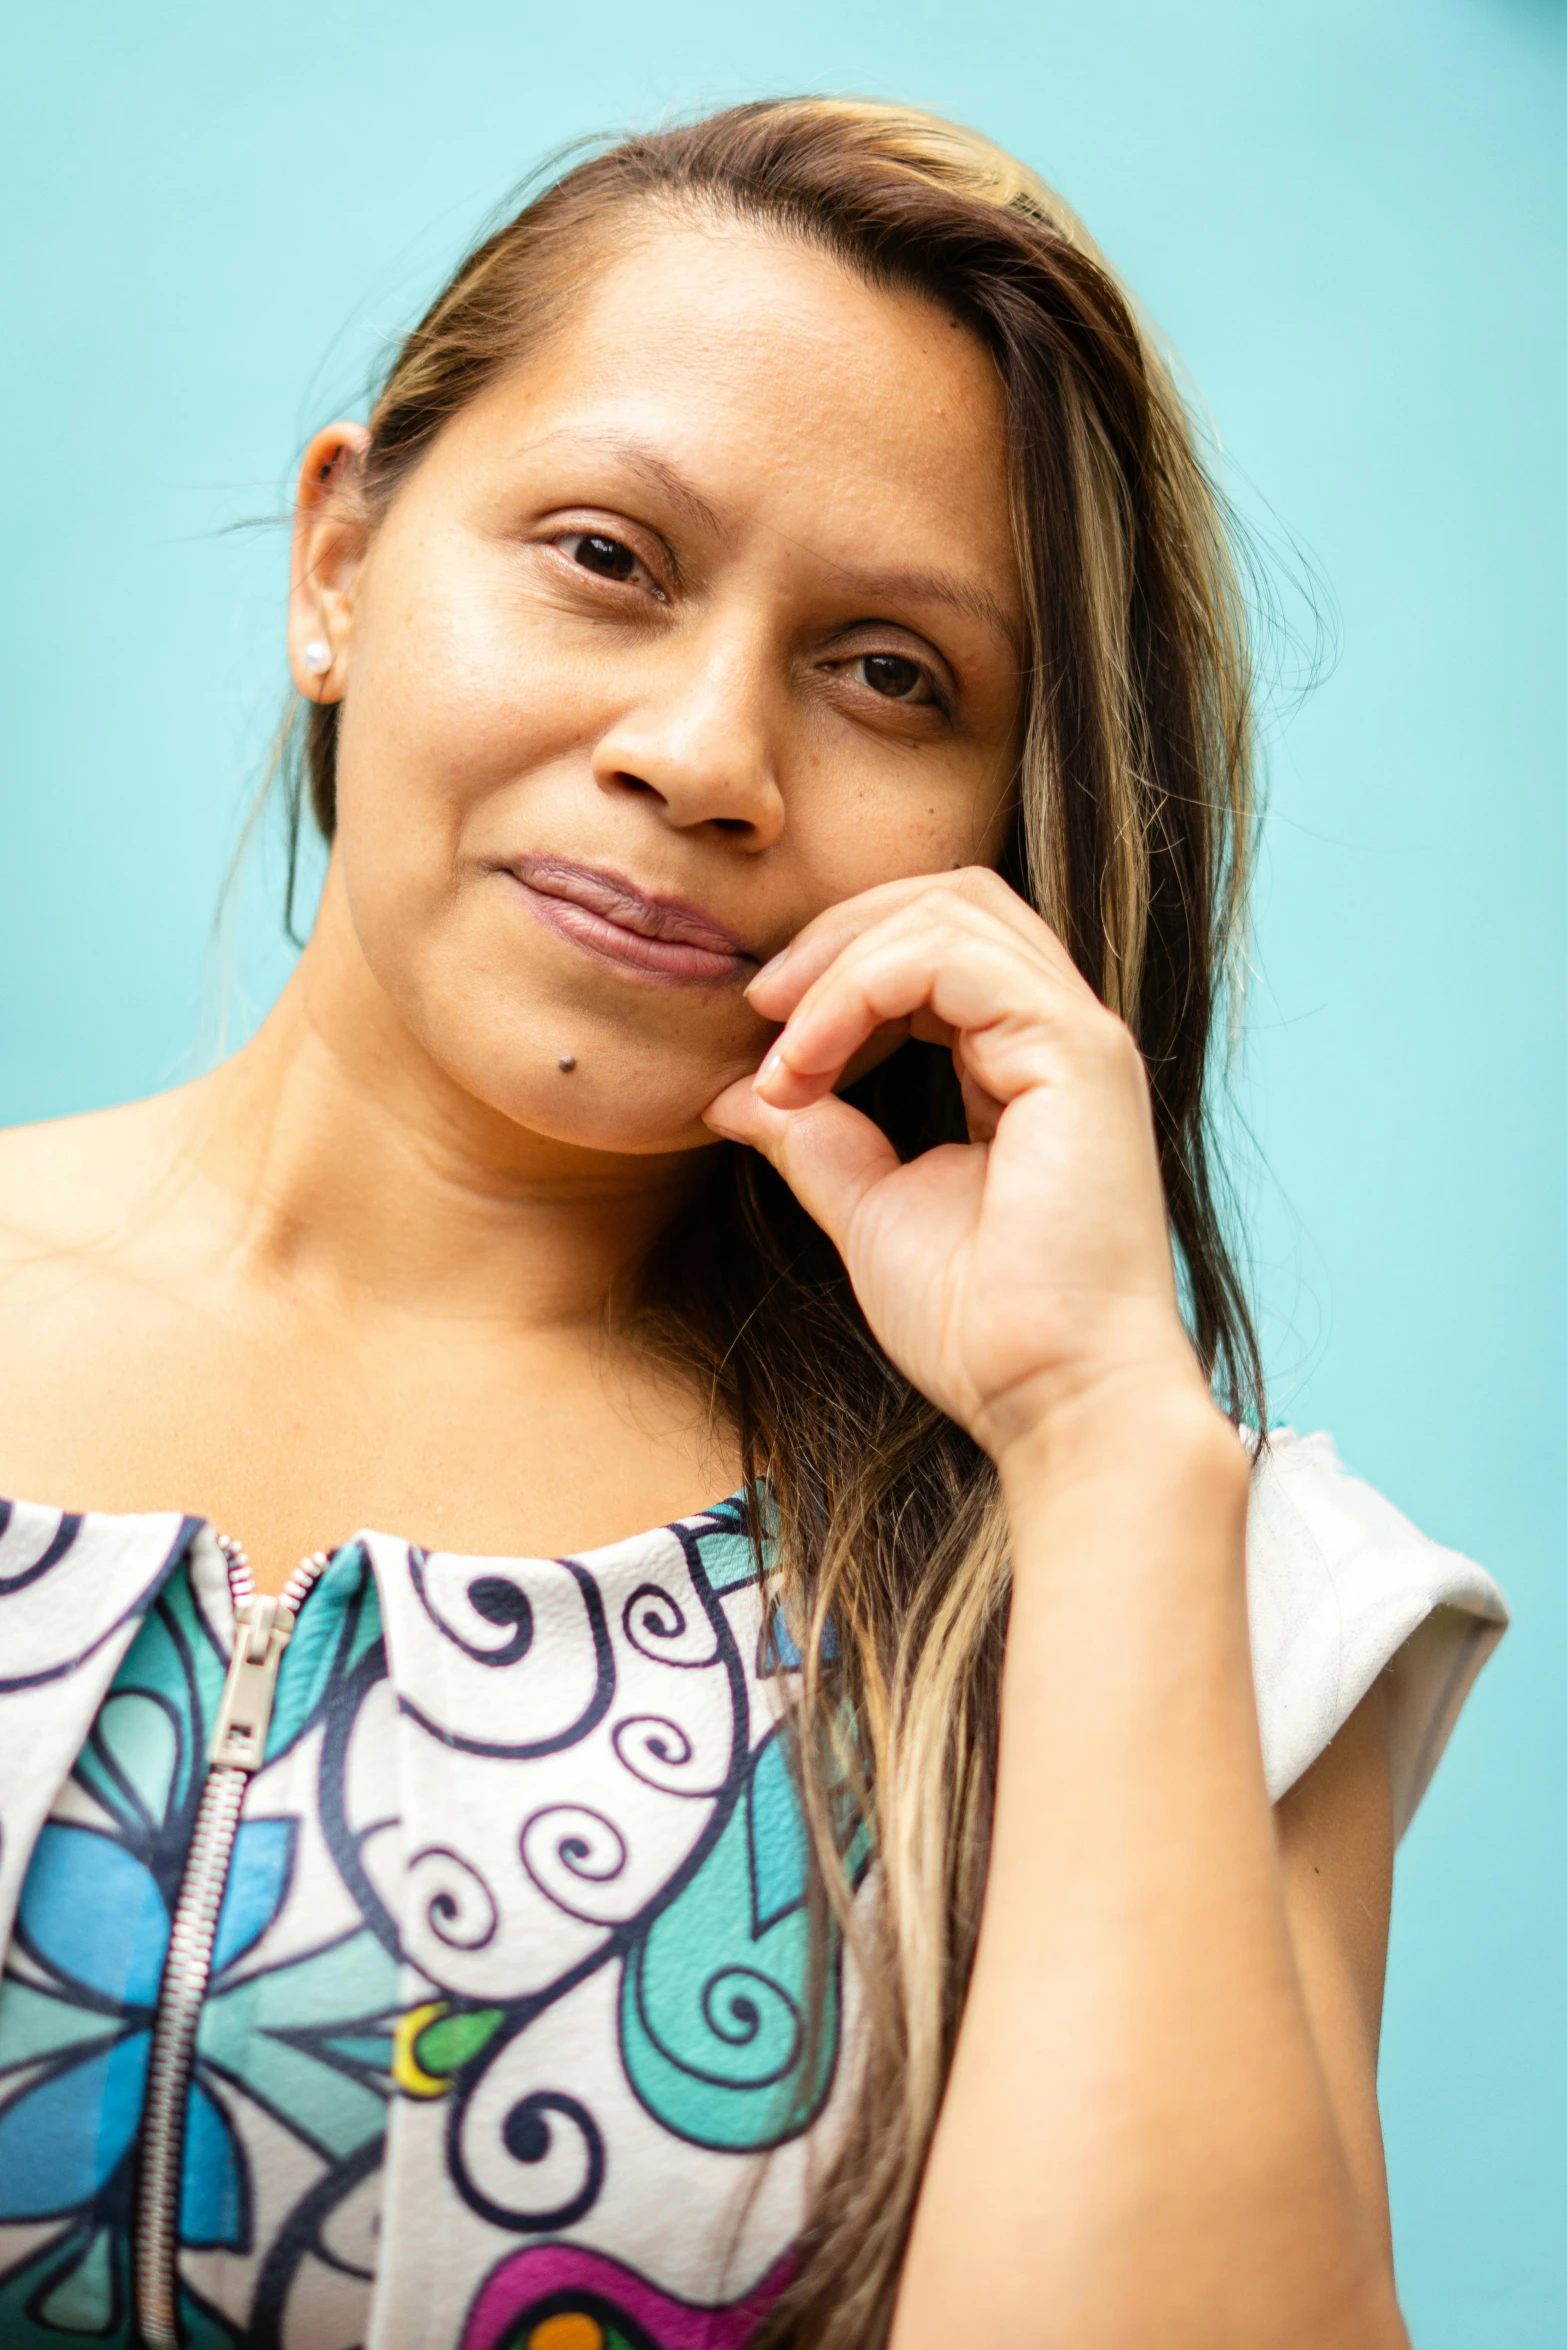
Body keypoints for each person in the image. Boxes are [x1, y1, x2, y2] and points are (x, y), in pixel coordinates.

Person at [0, 97, 1506, 2350]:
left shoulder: (1186, 1574)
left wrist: (1098, 1441)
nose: (709, 751)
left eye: (894, 670)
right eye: (607, 554)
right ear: (340, 561)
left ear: (1010, 813)